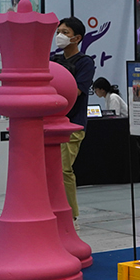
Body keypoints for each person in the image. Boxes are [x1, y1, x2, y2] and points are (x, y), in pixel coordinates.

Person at [51, 17, 96, 223]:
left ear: (77, 38)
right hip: (51, 123)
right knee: (49, 170)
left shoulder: (85, 63)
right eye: (58, 31)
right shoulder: (54, 60)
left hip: (72, 124)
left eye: (65, 32)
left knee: (63, 169)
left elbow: (75, 92)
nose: (59, 36)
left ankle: (70, 214)